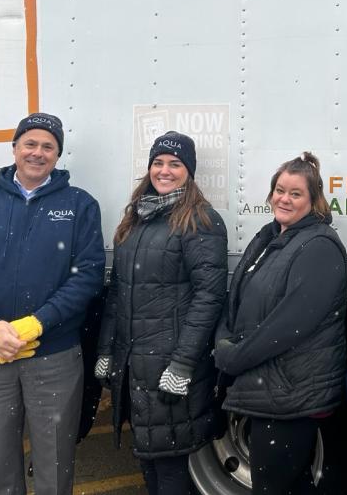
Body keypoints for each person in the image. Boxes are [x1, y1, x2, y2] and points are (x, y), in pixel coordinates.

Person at [0, 112, 105, 495]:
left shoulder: (79, 206)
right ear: (14, 148)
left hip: (54, 356)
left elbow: (88, 276)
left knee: (55, 464)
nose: (38, 152)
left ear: (58, 155)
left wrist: (39, 322)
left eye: (48, 146)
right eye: (30, 143)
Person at [94, 131, 228, 495]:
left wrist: (183, 365)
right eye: (158, 162)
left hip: (168, 366)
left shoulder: (200, 220)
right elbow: (118, 295)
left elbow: (209, 297)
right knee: (149, 464)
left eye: (175, 164)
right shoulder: (136, 220)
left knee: (171, 470)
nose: (164, 170)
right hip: (134, 365)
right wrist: (106, 351)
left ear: (189, 171)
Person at [214, 152, 347, 495]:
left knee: (274, 488)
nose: (284, 199)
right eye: (279, 190)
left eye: (295, 193)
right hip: (268, 388)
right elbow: (237, 300)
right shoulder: (271, 236)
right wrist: (223, 340)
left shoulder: (319, 246)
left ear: (313, 199)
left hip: (290, 395)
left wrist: (233, 357)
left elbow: (289, 325)